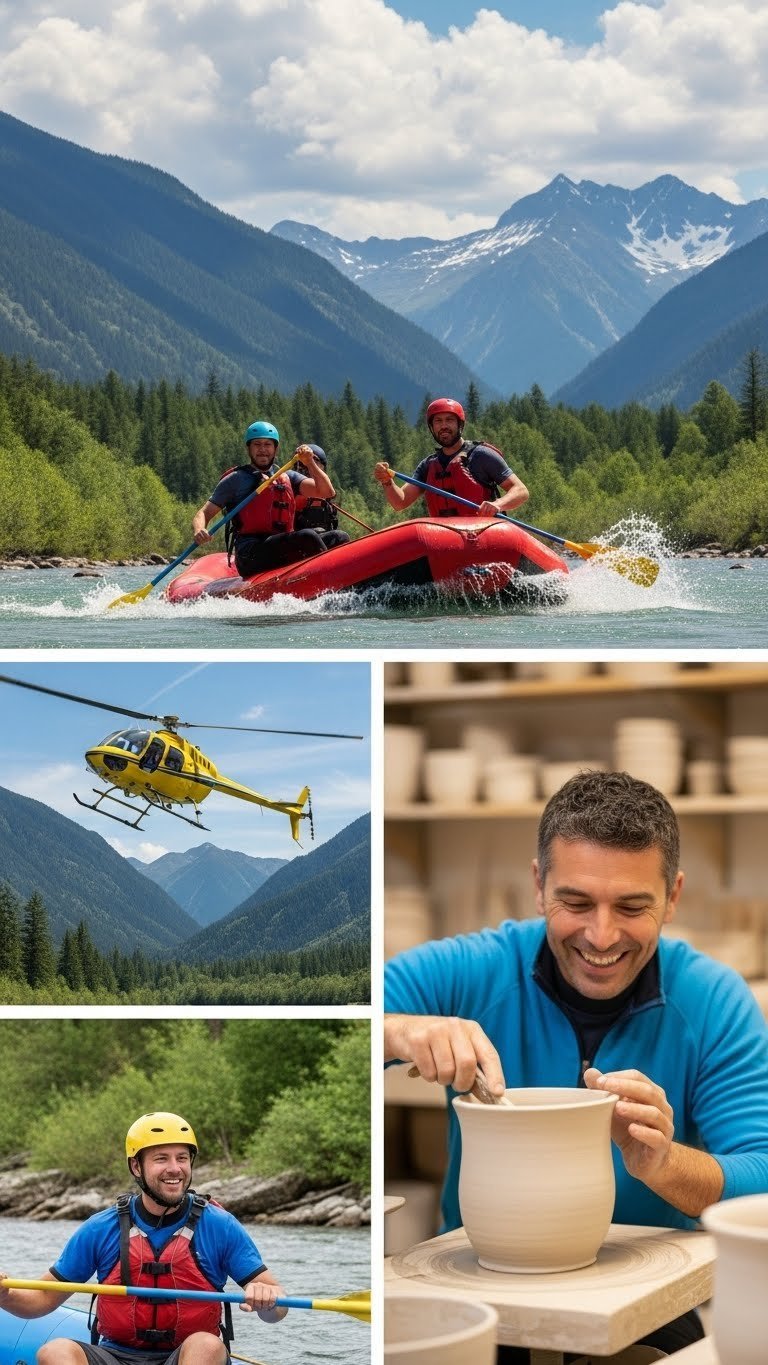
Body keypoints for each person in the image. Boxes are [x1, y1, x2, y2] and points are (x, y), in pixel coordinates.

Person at [384, 770, 768, 1358]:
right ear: (539, 886)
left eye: (632, 906)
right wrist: (396, 1030)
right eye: (577, 902)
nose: (601, 935)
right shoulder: (471, 970)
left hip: (643, 1292)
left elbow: (761, 1177)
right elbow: (327, 1022)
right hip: (479, 1286)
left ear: (672, 897)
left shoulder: (713, 1000)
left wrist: (664, 1164)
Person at [0, 1112, 288, 1365]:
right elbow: (41, 1299)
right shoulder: (101, 1228)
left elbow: (279, 1309)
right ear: (136, 1167)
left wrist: (268, 1301)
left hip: (188, 1355)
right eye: (161, 1159)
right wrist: (5, 1295)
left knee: (206, 1344)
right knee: (54, 1351)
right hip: (115, 1355)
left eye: (182, 1158)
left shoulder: (220, 1226)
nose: (175, 1168)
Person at [192, 421, 335, 578]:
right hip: (249, 553)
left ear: (275, 449)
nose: (262, 449)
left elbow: (326, 492)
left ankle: (339, 581)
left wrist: (310, 463)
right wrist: (199, 530)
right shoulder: (236, 479)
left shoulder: (288, 477)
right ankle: (331, 581)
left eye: (267, 444)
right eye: (257, 444)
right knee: (307, 537)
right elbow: (204, 513)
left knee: (338, 537)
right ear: (248, 448)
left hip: (279, 545)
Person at [373, 397, 528, 519]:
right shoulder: (428, 465)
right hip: (446, 539)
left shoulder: (481, 455)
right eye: (438, 421)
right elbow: (400, 502)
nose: (444, 426)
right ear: (432, 427)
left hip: (483, 534)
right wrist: (387, 482)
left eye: (449, 420)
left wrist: (498, 504)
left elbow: (521, 490)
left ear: (460, 425)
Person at [293, 443, 351, 550]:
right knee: (338, 536)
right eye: (301, 463)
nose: (305, 466)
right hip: (297, 540)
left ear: (322, 467)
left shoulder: (327, 496)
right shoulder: (291, 485)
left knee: (340, 537)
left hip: (320, 540)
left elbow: (328, 492)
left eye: (314, 460)